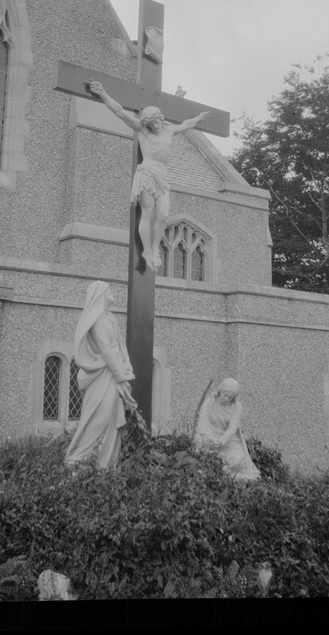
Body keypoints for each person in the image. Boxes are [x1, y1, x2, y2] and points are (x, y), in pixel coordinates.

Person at [89, 80, 210, 271]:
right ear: (147, 125)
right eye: (152, 124)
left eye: (157, 121)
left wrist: (198, 118)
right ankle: (147, 251)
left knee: (163, 214)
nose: (156, 125)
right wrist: (102, 93)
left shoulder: (169, 130)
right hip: (146, 174)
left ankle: (155, 247)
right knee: (147, 212)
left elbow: (186, 125)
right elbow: (119, 111)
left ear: (161, 118)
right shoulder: (142, 130)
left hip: (163, 178)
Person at [65, 281, 137, 469]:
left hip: (113, 374)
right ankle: (78, 459)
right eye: (109, 290)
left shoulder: (109, 316)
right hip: (103, 376)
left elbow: (120, 343)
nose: (112, 293)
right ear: (101, 294)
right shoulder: (96, 319)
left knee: (112, 418)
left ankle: (106, 463)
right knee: (99, 417)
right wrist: (119, 374)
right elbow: (105, 349)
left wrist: (127, 363)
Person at [194, 378, 260, 482]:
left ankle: (227, 473)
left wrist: (222, 441)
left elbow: (232, 428)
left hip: (228, 441)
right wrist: (211, 439)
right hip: (210, 437)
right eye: (225, 395)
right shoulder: (210, 402)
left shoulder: (237, 407)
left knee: (239, 460)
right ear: (220, 390)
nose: (226, 399)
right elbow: (202, 423)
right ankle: (217, 468)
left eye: (230, 397)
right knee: (198, 440)